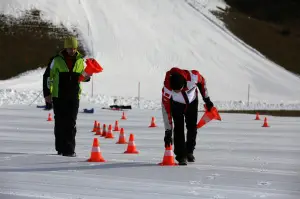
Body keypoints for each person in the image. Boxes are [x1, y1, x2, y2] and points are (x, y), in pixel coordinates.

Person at [43, 36, 90, 157]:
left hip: (74, 96)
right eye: (69, 48)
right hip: (59, 96)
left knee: (71, 123)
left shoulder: (80, 60)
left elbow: (84, 76)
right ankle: (60, 148)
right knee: (60, 122)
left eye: (74, 48)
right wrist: (47, 93)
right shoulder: (57, 60)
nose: (72, 50)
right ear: (66, 48)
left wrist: (87, 76)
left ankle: (69, 150)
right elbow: (48, 76)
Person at [161, 67, 214, 165]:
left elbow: (202, 83)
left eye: (178, 90)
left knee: (192, 127)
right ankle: (181, 156)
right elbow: (166, 109)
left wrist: (207, 99)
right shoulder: (167, 89)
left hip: (192, 102)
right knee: (178, 128)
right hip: (176, 105)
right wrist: (168, 131)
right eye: (175, 91)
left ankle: (189, 151)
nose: (176, 92)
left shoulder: (194, 77)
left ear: (184, 83)